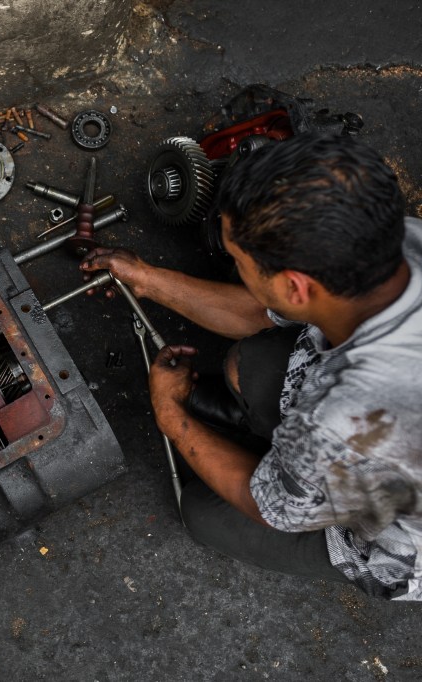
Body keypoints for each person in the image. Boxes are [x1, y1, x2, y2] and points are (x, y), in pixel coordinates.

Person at [81, 131, 422, 600]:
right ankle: (266, 438)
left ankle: (269, 449)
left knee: (203, 512)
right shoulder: (403, 242)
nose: (234, 267)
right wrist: (148, 280)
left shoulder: (341, 418)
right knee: (253, 363)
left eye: (239, 261)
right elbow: (261, 311)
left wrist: (171, 418)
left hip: (398, 541)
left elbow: (270, 506)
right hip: (378, 442)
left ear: (297, 287)